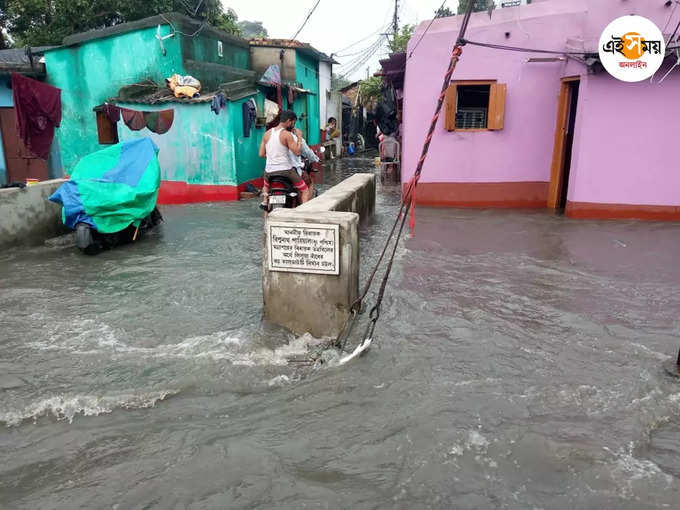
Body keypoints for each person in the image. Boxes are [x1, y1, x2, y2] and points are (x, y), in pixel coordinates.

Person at [259, 110, 309, 208]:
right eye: (293, 123)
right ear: (289, 121)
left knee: (266, 188)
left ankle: (265, 204)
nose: (293, 126)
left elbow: (261, 154)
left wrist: (273, 156)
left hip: (269, 171)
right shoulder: (287, 134)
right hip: (285, 171)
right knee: (305, 190)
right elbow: (297, 152)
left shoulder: (267, 134)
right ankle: (304, 213)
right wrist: (299, 137)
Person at [288, 131, 320, 202]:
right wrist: (316, 159)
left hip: (272, 172)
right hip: (291, 171)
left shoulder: (271, 137)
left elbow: (262, 154)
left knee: (266, 194)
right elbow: (307, 153)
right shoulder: (296, 139)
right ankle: (305, 206)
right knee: (309, 182)